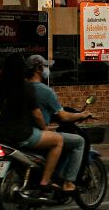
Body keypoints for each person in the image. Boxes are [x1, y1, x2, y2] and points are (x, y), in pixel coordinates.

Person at [0, 52, 63, 199]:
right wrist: (45, 129)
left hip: (0, 134)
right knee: (58, 140)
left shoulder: (0, 88)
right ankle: (45, 181)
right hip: (22, 134)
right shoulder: (26, 88)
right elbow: (37, 115)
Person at [25, 54, 91, 191]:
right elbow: (63, 117)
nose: (46, 69)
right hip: (32, 133)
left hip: (19, 131)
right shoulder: (45, 91)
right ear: (38, 69)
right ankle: (68, 182)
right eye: (44, 66)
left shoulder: (20, 87)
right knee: (78, 141)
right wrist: (81, 115)